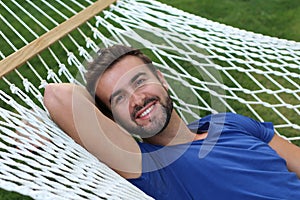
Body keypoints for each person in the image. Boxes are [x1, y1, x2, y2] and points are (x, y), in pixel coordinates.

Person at [44, 45, 300, 200]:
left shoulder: (226, 122)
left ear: (162, 80)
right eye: (119, 98)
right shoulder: (148, 166)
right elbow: (59, 96)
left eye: (139, 81)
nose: (137, 99)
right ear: (111, 118)